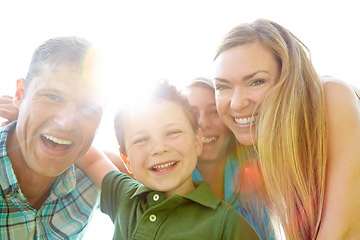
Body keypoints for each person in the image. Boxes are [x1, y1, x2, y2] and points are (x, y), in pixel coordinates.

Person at [213, 18, 360, 239]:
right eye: (223, 86)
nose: (236, 103)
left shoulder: (331, 96)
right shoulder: (268, 150)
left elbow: (341, 231)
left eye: (256, 82)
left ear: (288, 79)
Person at [77, 80, 260, 239]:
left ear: (197, 141)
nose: (159, 148)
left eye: (172, 133)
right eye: (142, 139)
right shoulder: (124, 195)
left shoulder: (227, 223)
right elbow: (93, 160)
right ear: (126, 159)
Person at [0, 37, 105, 239]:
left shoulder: (92, 177)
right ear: (20, 94)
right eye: (52, 97)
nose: (66, 123)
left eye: (88, 108)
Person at [187, 77, 274, 239]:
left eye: (213, 112)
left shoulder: (256, 168)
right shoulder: (171, 185)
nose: (203, 123)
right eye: (192, 114)